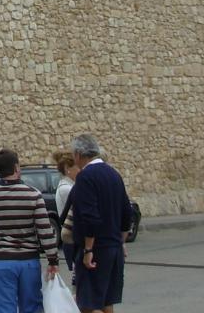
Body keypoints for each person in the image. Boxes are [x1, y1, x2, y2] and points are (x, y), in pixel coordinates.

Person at [0, 148, 58, 313]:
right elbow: (44, 231)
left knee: (2, 309)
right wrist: (53, 260)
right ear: (16, 168)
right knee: (32, 308)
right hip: (28, 261)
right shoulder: (33, 195)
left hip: (0, 260)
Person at [69, 133, 134, 313]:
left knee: (88, 305)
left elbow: (89, 217)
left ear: (79, 154)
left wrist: (88, 249)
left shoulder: (85, 177)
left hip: (96, 248)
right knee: (106, 301)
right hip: (113, 246)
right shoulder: (114, 174)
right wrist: (121, 242)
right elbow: (127, 212)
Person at [52, 149, 79, 275]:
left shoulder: (67, 186)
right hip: (72, 239)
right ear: (68, 168)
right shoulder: (67, 189)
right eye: (77, 167)